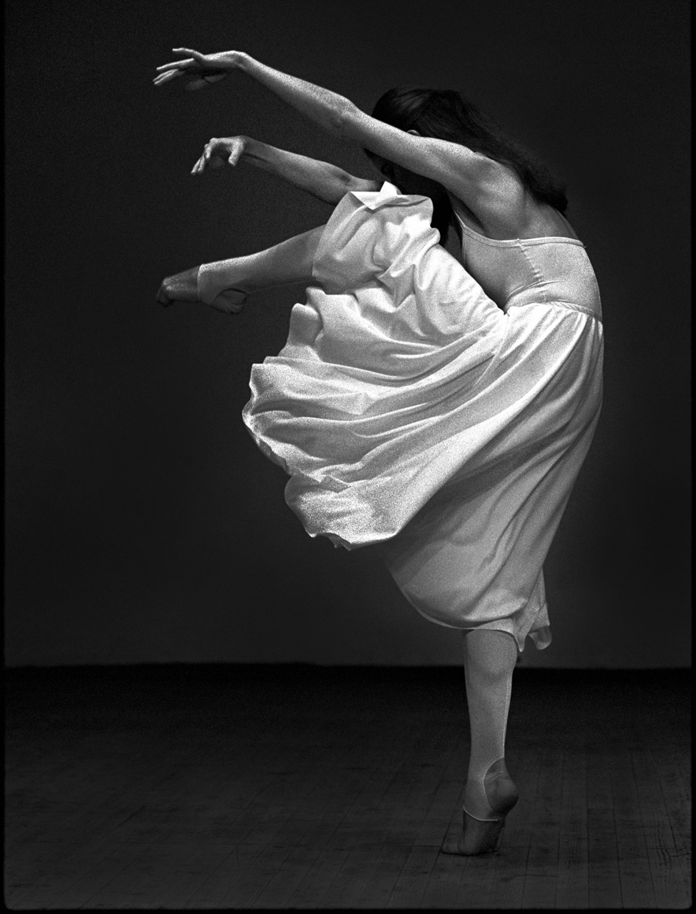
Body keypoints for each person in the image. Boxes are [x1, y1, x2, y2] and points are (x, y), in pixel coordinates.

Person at [153, 48, 604, 856]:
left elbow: (343, 124)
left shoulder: (486, 177)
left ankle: (213, 277)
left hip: (539, 344)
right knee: (497, 568)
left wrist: (245, 67)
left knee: (379, 240)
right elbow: (349, 191)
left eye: (392, 147)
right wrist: (252, 149)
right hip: (567, 364)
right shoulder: (445, 207)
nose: (383, 165)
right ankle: (485, 778)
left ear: (425, 137)